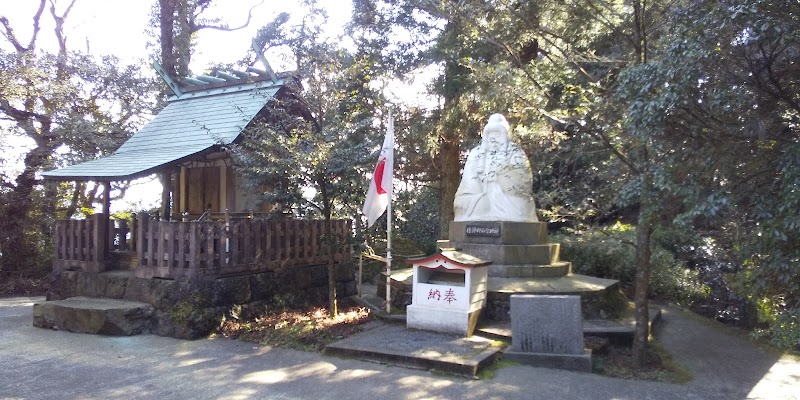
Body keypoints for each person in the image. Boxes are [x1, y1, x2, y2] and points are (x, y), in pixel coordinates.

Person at [453, 114, 538, 222]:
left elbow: (524, 181)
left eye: (496, 134)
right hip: (480, 195)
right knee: (475, 205)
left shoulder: (515, 151)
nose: (492, 139)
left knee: (522, 208)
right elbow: (468, 181)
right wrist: (479, 193)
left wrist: (504, 172)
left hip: (508, 197)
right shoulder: (476, 153)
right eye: (490, 134)